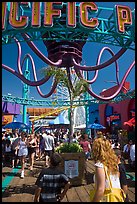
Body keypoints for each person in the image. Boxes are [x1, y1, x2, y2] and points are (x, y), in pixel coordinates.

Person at [91, 137, 124, 202]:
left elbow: (101, 189)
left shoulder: (100, 165)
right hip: (116, 197)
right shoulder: (114, 163)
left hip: (106, 198)